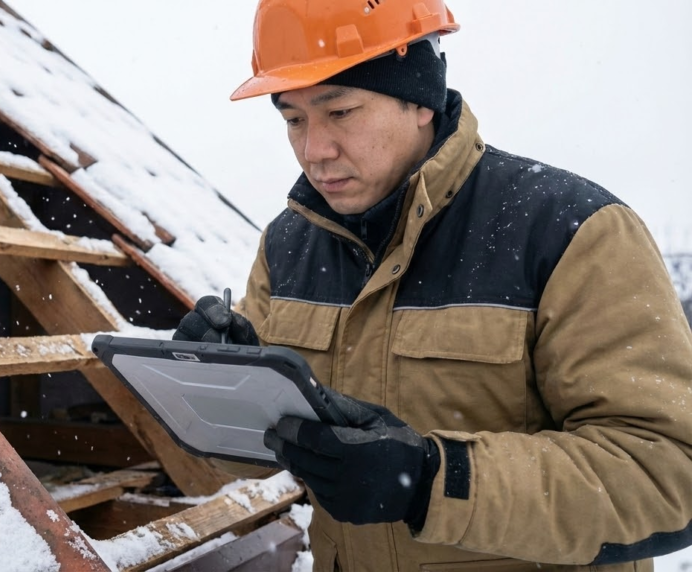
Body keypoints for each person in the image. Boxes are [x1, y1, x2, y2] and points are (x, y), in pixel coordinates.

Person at [172, 1, 692, 570]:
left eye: (340, 111)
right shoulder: (288, 245)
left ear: (420, 97)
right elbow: (259, 454)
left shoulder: (567, 231)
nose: (314, 150)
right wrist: (224, 386)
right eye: (293, 120)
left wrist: (430, 481)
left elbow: (667, 472)